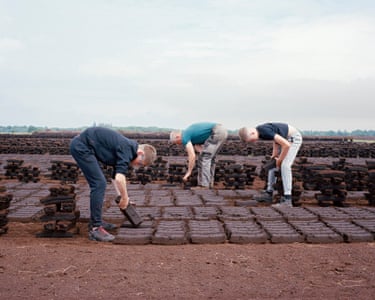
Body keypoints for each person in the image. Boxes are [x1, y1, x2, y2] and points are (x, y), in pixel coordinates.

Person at [70, 126, 157, 242]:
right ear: (140, 153)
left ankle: (96, 222)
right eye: (140, 163)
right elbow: (120, 178)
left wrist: (123, 197)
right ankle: (95, 228)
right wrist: (125, 198)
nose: (137, 166)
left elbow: (115, 177)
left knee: (100, 182)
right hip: (82, 146)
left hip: (87, 147)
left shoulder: (128, 148)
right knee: (99, 183)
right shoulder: (127, 149)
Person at [238, 123, 302, 207]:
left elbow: (286, 145)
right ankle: (269, 193)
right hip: (286, 139)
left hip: (293, 138)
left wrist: (280, 160)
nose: (253, 142)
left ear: (252, 133)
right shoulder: (260, 131)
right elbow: (276, 139)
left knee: (285, 166)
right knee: (272, 163)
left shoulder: (263, 131)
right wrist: (274, 155)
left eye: (251, 140)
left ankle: (287, 200)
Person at [170, 122, 228, 189]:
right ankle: (209, 184)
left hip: (216, 132)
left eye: (176, 142)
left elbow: (192, 155)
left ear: (177, 137)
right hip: (222, 131)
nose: (178, 144)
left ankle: (204, 185)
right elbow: (200, 150)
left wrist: (189, 172)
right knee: (209, 158)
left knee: (204, 158)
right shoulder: (190, 135)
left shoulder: (185, 136)